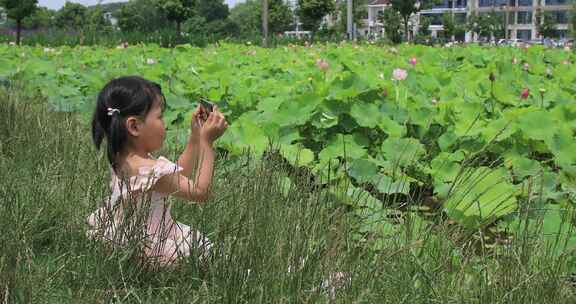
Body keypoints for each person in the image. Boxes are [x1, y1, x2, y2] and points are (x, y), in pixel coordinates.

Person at [86, 76, 228, 268]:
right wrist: (206, 143)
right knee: (210, 256)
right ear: (134, 126)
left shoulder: (126, 158)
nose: (165, 123)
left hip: (133, 233)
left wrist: (195, 137)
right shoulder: (147, 170)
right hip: (154, 244)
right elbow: (201, 193)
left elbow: (177, 176)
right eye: (160, 116)